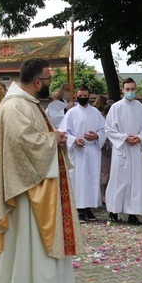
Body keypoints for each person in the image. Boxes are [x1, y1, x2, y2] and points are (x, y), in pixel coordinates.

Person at [0, 57, 84, 283]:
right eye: (49, 80)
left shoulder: (29, 103)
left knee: (37, 244)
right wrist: (54, 139)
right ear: (38, 82)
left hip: (37, 183)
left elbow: (33, 138)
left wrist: (52, 138)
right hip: (25, 191)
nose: (51, 85)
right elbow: (24, 142)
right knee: (28, 243)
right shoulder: (16, 105)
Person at [58, 84, 107, 223]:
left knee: (92, 179)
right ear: (76, 96)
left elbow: (104, 130)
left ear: (89, 96)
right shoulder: (71, 113)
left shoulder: (96, 113)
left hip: (92, 150)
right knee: (79, 180)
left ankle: (89, 209)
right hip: (78, 151)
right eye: (80, 96)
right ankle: (78, 209)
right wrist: (75, 140)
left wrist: (97, 136)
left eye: (85, 96)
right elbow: (64, 132)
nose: (83, 98)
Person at [105, 78, 142, 226]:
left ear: (136, 90)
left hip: (135, 149)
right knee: (119, 180)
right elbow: (109, 129)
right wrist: (124, 137)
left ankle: (133, 213)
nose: (130, 92)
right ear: (123, 90)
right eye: (127, 89)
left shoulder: (140, 107)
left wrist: (139, 137)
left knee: (135, 182)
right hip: (122, 149)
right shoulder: (116, 107)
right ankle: (114, 211)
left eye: (132, 89)